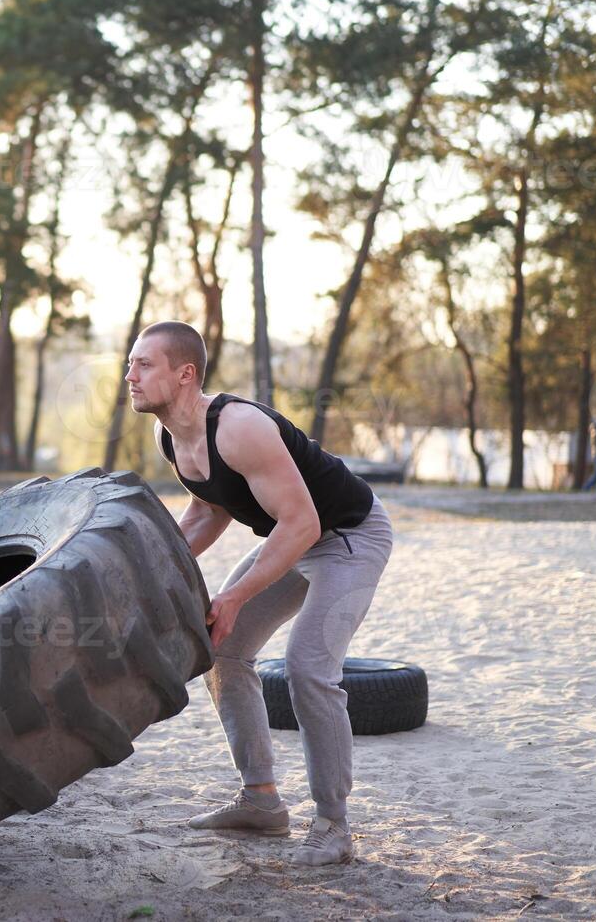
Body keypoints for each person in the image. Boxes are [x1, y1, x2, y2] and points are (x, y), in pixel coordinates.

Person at [125, 321, 395, 867]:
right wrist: (149, 571)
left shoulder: (239, 427)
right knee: (222, 651)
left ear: (185, 375)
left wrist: (235, 596)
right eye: (129, 363)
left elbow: (301, 524)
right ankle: (262, 801)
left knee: (308, 667)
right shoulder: (172, 437)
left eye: (143, 364)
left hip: (346, 535)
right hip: (295, 537)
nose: (129, 375)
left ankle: (333, 826)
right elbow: (207, 511)